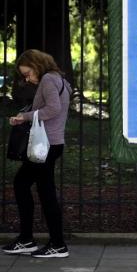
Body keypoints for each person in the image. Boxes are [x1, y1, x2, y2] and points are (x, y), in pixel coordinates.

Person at [2, 49, 72, 258]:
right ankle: (32, 240)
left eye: (28, 73)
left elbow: (53, 109)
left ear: (37, 65)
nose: (28, 78)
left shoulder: (49, 80)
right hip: (52, 143)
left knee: (38, 189)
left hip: (46, 145)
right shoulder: (60, 80)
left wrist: (24, 116)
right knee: (32, 186)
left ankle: (53, 244)